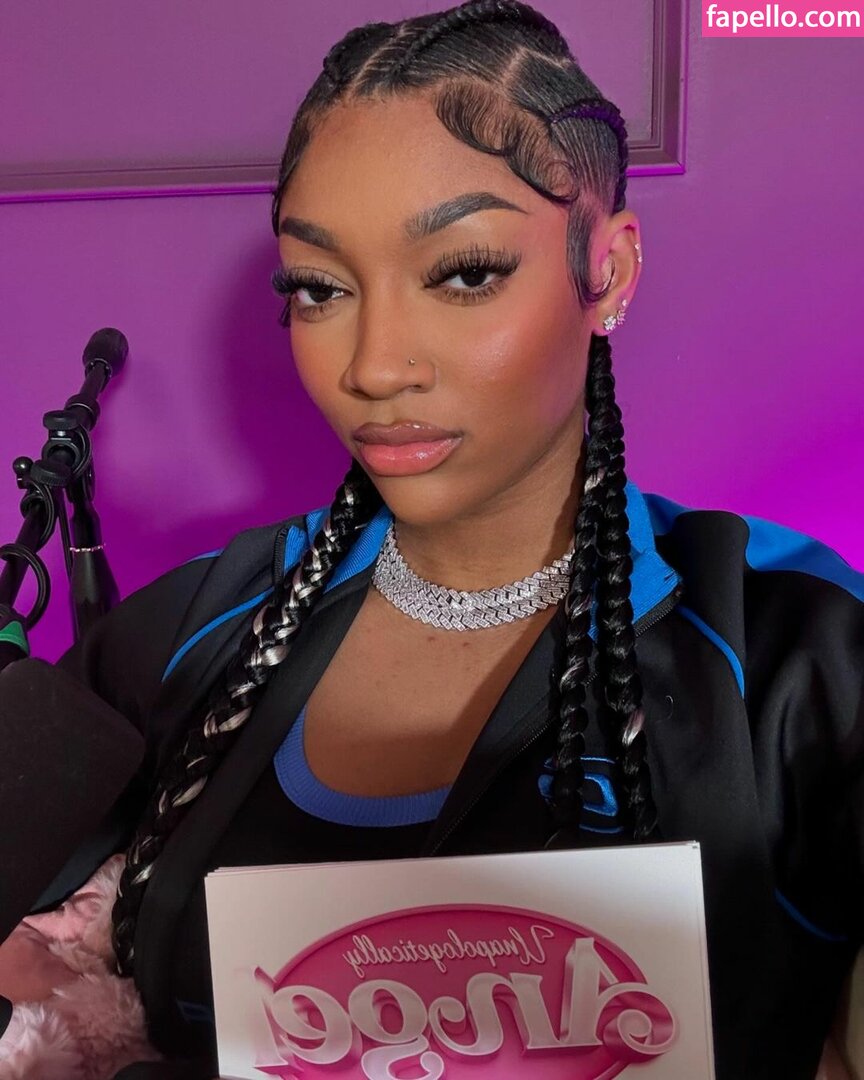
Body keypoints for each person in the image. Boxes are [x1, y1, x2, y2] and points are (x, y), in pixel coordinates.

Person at [1, 1, 862, 1077]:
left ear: (608, 271)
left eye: (464, 273)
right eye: (319, 288)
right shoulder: (192, 630)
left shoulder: (788, 647)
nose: (373, 366)